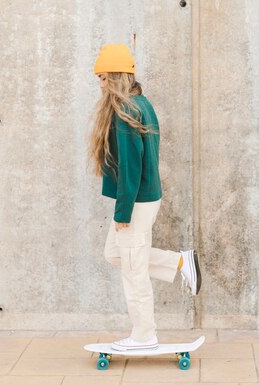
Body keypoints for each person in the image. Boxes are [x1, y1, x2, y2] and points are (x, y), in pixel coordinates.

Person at [88, 43, 202, 351]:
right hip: (144, 197)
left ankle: (143, 335)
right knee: (116, 254)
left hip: (135, 201)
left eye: (102, 77)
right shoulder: (141, 102)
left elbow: (130, 168)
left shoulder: (125, 110)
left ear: (115, 76)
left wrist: (122, 212)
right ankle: (179, 261)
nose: (99, 84)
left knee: (133, 269)